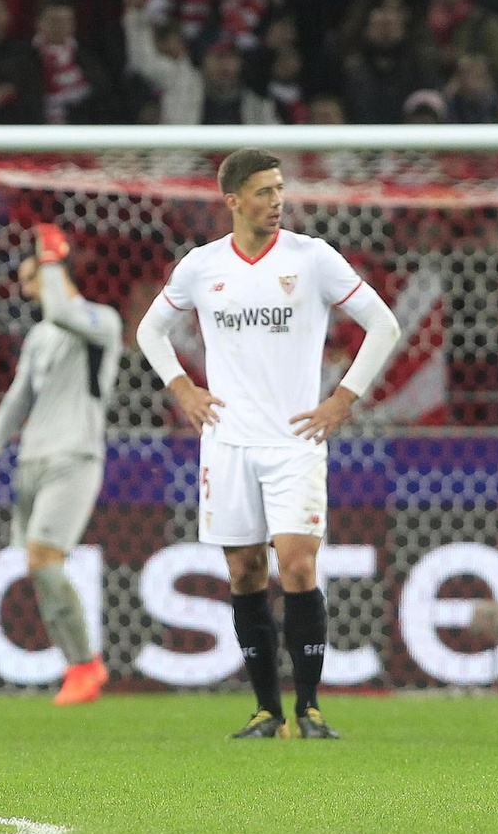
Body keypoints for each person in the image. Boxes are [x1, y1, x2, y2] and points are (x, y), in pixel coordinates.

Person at [134, 148, 401, 739]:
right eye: (263, 191)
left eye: (280, 189)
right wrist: (182, 387)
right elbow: (149, 330)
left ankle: (309, 708)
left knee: (299, 565)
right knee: (245, 570)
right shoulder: (202, 267)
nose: (276, 200)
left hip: (294, 441)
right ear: (232, 201)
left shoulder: (312, 259)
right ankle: (265, 710)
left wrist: (343, 399)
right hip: (227, 444)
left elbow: (385, 324)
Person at [0, 223, 121, 706]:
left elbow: (59, 308)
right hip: (32, 457)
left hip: (75, 455)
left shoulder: (101, 321)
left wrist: (50, 259)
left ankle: (86, 665)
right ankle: (79, 665)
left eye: (34, 276)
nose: (27, 288)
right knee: (37, 565)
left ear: (57, 271)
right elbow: (18, 397)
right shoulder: (38, 336)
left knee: (46, 560)